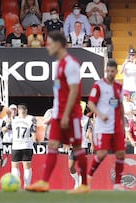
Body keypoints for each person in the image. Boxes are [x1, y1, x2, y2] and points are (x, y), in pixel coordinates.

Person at [26, 32, 88, 193]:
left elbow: (74, 91)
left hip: (71, 113)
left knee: (77, 147)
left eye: (51, 44)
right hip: (58, 113)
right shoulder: (58, 64)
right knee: (52, 145)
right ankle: (44, 182)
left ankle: (85, 184)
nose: (48, 47)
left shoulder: (71, 64)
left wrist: (66, 114)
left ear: (59, 45)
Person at [86, 59, 126, 191]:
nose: (110, 73)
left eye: (112, 71)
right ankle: (89, 176)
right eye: (108, 71)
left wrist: (123, 124)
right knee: (102, 154)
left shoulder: (119, 86)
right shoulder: (98, 86)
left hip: (117, 126)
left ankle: (117, 184)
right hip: (103, 126)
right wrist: (100, 114)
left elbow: (120, 106)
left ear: (115, 71)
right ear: (105, 71)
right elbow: (90, 103)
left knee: (120, 154)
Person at [11, 104, 37, 188]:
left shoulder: (14, 119)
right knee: (27, 166)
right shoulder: (31, 119)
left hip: (16, 145)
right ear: (26, 111)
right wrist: (36, 141)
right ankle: (27, 185)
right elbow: (34, 133)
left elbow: (6, 128)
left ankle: (16, 185)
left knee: (15, 166)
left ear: (18, 111)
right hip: (27, 145)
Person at [69, 112, 93, 189]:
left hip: (83, 145)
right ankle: (77, 180)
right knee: (70, 167)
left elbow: (90, 132)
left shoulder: (87, 119)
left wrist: (92, 144)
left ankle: (81, 183)